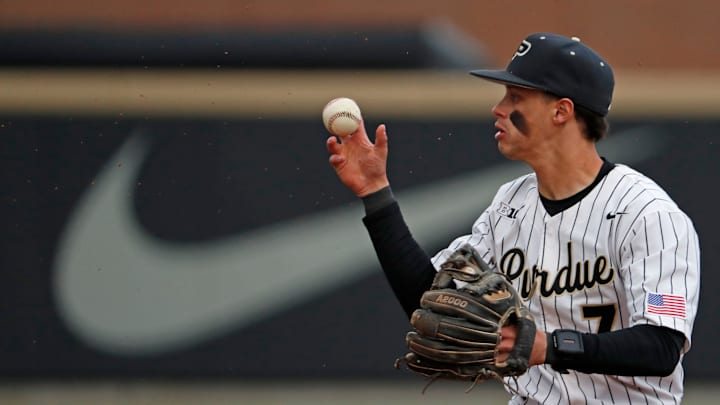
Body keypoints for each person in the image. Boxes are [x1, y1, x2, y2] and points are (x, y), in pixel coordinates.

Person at [325, 32, 700, 404]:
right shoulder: (511, 204)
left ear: (561, 111)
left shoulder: (648, 214)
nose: (498, 108)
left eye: (516, 96)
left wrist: (551, 347)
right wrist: (376, 193)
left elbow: (661, 346)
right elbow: (431, 301)